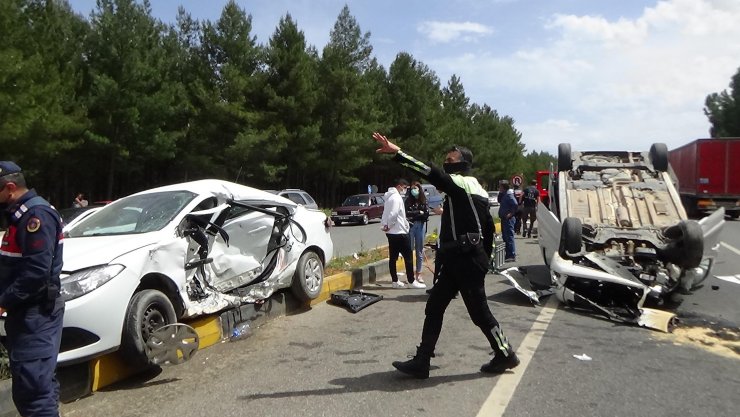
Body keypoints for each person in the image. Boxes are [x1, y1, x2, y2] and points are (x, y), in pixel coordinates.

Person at [372, 132, 519, 379]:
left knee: (480, 313)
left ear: (463, 163)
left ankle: (505, 353)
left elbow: (431, 173)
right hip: (457, 260)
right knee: (435, 306)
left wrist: (398, 153)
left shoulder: (464, 183)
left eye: (451, 160)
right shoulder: (471, 189)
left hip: (468, 260)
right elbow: (487, 229)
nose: (446, 163)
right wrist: (486, 257)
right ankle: (422, 360)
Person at [0, 161, 65, 417]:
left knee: (35, 390)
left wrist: (3, 301)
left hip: (36, 314)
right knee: (30, 389)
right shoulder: (20, 215)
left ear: (11, 188)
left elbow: (36, 274)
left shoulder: (36, 216)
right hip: (24, 314)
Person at [381, 178, 426, 289]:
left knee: (393, 257)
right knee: (408, 256)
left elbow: (385, 214)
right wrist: (390, 225)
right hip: (399, 232)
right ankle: (411, 280)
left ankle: (395, 281)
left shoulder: (388, 197)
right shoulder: (396, 198)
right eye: (405, 188)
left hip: (391, 232)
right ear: (400, 186)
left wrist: (385, 226)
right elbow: (393, 215)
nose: (405, 190)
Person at [405, 181, 430, 283]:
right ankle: (410, 275)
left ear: (419, 189)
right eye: (412, 189)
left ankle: (418, 274)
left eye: (416, 188)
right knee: (409, 250)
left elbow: (426, 214)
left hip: (421, 226)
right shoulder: (408, 201)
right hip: (411, 226)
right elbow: (407, 213)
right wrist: (418, 212)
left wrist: (419, 213)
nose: (414, 191)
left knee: (419, 251)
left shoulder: (423, 201)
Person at [498, 180, 518, 262]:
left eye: (500, 186)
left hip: (508, 219)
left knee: (509, 236)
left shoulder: (509, 195)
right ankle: (508, 254)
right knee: (505, 237)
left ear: (503, 187)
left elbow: (515, 204)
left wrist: (511, 214)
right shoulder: (504, 194)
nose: (499, 188)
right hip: (504, 219)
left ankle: (511, 255)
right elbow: (499, 200)